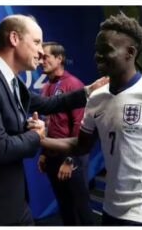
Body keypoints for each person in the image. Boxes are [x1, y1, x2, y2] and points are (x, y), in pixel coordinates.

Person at [36, 13, 142, 226]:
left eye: (106, 50)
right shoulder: (96, 98)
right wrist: (40, 140)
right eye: (97, 51)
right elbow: (80, 145)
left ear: (130, 52)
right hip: (110, 208)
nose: (98, 56)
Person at [0, 14, 108, 226]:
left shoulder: (10, 81)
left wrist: (89, 90)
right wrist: (35, 135)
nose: (42, 51)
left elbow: (48, 104)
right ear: (14, 39)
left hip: (14, 203)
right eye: (36, 42)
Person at [37, 42, 95, 225]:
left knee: (81, 209)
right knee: (65, 207)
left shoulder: (74, 84)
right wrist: (44, 154)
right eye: (40, 57)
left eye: (45, 57)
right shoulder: (45, 88)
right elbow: (48, 123)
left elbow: (80, 124)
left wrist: (70, 160)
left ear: (59, 58)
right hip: (53, 157)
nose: (41, 61)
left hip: (71, 157)